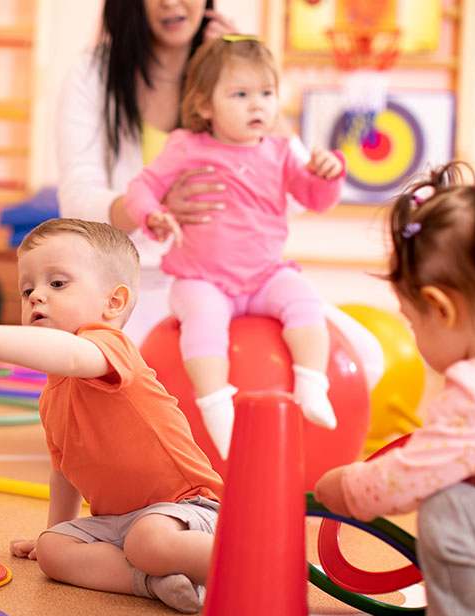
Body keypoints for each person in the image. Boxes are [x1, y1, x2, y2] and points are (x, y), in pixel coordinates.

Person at [55, 0, 386, 391]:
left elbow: (296, 199)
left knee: (365, 356)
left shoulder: (231, 75)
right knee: (127, 382)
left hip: (246, 278)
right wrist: (150, 208)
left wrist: (248, 79)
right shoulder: (94, 72)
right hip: (133, 279)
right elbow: (78, 199)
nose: (171, 3)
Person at [0, 218, 224, 613]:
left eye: (57, 283)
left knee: (148, 542)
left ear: (112, 303)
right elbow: (65, 472)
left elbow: (69, 354)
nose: (36, 297)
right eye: (27, 289)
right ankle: (152, 583)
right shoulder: (52, 396)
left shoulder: (108, 348)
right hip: (120, 522)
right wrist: (55, 530)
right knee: (53, 552)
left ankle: (252, 561)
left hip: (186, 508)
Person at [314, 162, 475, 616]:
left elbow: (405, 480)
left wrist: (346, 485)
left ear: (442, 309)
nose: (411, 331)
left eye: (410, 319)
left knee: (449, 506)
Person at [123, 35, 345, 459]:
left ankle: (312, 384)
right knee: (204, 321)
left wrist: (328, 175)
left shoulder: (281, 151)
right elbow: (142, 186)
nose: (257, 105)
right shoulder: (187, 146)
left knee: (304, 300)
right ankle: (215, 405)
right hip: (201, 280)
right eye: (240, 95)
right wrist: (152, 213)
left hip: (264, 276)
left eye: (266, 93)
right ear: (205, 105)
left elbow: (317, 200)